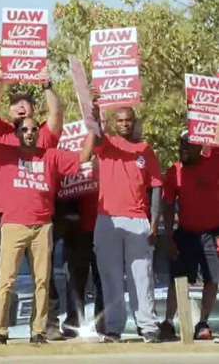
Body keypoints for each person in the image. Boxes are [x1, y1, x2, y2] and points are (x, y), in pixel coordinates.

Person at [0, 116, 93, 345]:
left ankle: (38, 331)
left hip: (42, 226)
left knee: (42, 281)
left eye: (33, 129)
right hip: (13, 225)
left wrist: (92, 125)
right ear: (18, 133)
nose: (30, 132)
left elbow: (83, 157)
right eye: (25, 129)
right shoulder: (6, 153)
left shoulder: (51, 155)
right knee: (6, 280)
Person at [0, 67, 63, 341]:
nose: (21, 111)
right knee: (4, 276)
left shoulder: (39, 135)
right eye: (16, 107)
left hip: (39, 215)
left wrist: (48, 86)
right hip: (5, 215)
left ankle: (43, 327)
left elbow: (57, 117)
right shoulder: (1, 132)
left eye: (26, 108)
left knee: (43, 276)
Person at [91, 105, 163, 343]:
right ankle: (114, 328)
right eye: (120, 120)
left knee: (141, 276)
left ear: (134, 122)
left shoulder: (145, 150)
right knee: (110, 276)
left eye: (128, 120)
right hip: (108, 219)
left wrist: (154, 223)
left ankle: (148, 326)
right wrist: (95, 110)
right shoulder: (106, 144)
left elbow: (155, 187)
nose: (124, 124)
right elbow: (96, 134)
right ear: (114, 123)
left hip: (138, 220)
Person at [158, 131, 219, 341]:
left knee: (212, 278)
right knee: (178, 279)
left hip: (212, 232)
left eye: (188, 146)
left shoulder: (214, 161)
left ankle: (202, 323)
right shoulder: (174, 171)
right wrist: (168, 236)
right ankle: (168, 322)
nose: (183, 149)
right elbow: (167, 205)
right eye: (181, 145)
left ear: (199, 146)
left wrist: (207, 122)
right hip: (185, 232)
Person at [59, 191, 105, 338]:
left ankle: (103, 322)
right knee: (75, 281)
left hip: (101, 228)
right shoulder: (73, 170)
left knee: (103, 280)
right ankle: (73, 322)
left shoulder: (106, 170)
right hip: (75, 232)